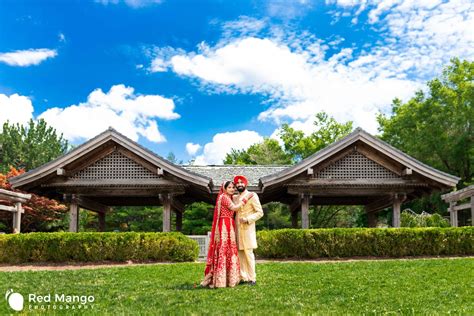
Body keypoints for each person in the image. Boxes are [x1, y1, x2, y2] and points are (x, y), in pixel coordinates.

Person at [200, 181, 251, 288]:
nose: (232, 189)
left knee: (229, 249)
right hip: (224, 225)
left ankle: (229, 279)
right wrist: (246, 199)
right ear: (224, 188)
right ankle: (221, 280)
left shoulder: (228, 197)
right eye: (230, 187)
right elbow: (234, 208)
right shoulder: (224, 197)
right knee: (224, 249)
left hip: (229, 224)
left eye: (233, 187)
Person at [234, 175, 264, 286]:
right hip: (237, 230)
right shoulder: (235, 197)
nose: (239, 184)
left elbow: (260, 212)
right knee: (240, 254)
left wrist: (247, 219)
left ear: (245, 184)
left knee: (249, 254)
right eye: (237, 183)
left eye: (242, 182)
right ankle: (244, 277)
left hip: (247, 229)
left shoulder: (252, 195)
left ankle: (252, 278)